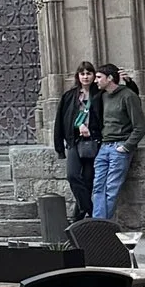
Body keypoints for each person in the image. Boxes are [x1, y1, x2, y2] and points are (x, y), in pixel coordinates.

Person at [90, 62, 145, 224]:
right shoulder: (102, 96)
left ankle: (98, 227)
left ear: (110, 78)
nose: (96, 80)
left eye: (99, 77)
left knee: (111, 189)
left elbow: (140, 126)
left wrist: (126, 146)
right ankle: (98, 224)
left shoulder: (127, 96)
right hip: (104, 146)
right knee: (98, 187)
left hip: (119, 146)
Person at [53, 63, 104, 224]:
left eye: (89, 73)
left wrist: (129, 82)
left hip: (93, 142)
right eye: (82, 73)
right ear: (78, 76)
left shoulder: (100, 95)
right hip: (75, 141)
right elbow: (61, 120)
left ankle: (77, 219)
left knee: (88, 180)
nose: (85, 76)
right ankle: (90, 210)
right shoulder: (70, 96)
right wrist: (59, 148)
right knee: (73, 175)